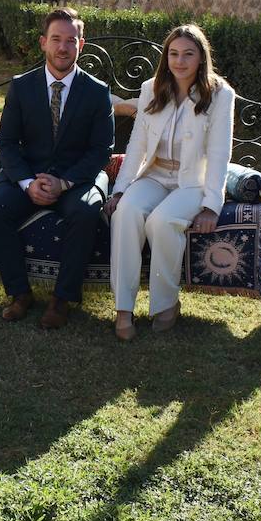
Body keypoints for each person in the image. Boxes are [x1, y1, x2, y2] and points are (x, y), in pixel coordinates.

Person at [0, 7, 114, 329]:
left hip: (76, 179)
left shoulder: (97, 92)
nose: (63, 47)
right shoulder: (22, 86)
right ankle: (20, 293)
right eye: (56, 39)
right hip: (30, 175)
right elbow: (6, 142)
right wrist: (27, 183)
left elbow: (101, 150)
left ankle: (61, 300)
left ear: (81, 45)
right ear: (43, 42)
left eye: (71, 41)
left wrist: (65, 183)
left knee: (86, 212)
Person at [105, 24, 235, 340]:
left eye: (188, 54)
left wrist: (211, 205)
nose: (180, 61)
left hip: (192, 182)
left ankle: (166, 304)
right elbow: (137, 144)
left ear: (201, 58)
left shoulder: (220, 95)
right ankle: (123, 309)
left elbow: (220, 154)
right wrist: (120, 190)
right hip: (154, 174)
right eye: (173, 54)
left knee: (162, 222)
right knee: (125, 213)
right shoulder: (151, 88)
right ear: (166, 57)